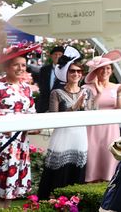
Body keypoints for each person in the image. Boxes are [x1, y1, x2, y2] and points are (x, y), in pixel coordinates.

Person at [0, 42, 40, 206]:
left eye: (23, 65)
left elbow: (32, 111)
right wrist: (15, 123)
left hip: (20, 141)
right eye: (16, 65)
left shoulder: (26, 88)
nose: (20, 68)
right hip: (0, 139)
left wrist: (29, 125)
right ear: (7, 67)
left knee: (11, 182)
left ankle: (7, 208)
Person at [38, 47, 89, 199]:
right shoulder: (56, 93)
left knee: (77, 169)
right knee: (58, 170)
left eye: (79, 71)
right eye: (72, 71)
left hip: (80, 135)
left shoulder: (87, 92)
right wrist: (74, 107)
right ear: (66, 73)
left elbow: (93, 114)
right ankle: (53, 200)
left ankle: (74, 201)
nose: (76, 74)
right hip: (62, 135)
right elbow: (54, 118)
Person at [82, 49, 121, 182]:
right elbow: (88, 109)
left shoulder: (118, 87)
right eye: (102, 68)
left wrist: (119, 94)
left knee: (110, 159)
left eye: (108, 68)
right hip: (92, 129)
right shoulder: (87, 88)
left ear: (111, 71)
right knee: (93, 160)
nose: (105, 71)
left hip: (111, 128)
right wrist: (99, 93)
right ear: (95, 71)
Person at [35, 45, 65, 114]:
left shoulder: (66, 70)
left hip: (61, 106)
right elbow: (41, 85)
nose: (57, 56)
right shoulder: (44, 70)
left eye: (60, 54)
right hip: (44, 105)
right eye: (55, 54)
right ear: (51, 56)